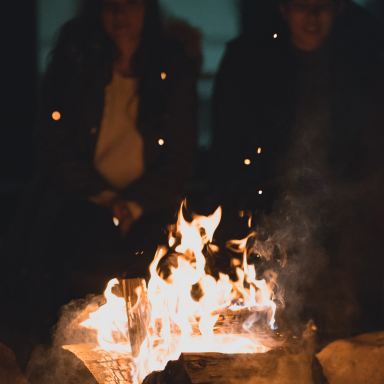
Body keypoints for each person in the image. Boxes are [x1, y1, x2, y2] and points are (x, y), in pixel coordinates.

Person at [2, 0, 200, 367]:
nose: (120, 15)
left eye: (130, 6)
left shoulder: (170, 64)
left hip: (150, 205)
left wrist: (135, 204)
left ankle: (147, 364)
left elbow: (180, 155)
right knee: (81, 255)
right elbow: (54, 146)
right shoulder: (76, 61)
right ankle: (71, 364)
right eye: (111, 6)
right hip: (83, 200)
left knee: (151, 266)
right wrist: (105, 198)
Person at [212, 0, 384, 338]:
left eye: (324, 7)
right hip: (271, 201)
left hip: (347, 204)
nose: (313, 17)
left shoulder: (361, 65)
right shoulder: (251, 62)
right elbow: (230, 147)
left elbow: (371, 148)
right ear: (283, 9)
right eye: (303, 6)